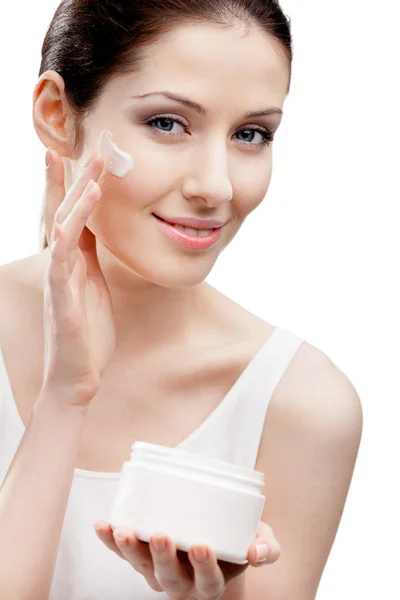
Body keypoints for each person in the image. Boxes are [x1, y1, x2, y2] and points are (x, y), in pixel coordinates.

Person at [0, 1, 363, 599]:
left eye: (251, 134)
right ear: (56, 113)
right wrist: (65, 399)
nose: (216, 185)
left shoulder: (303, 406)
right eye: (168, 123)